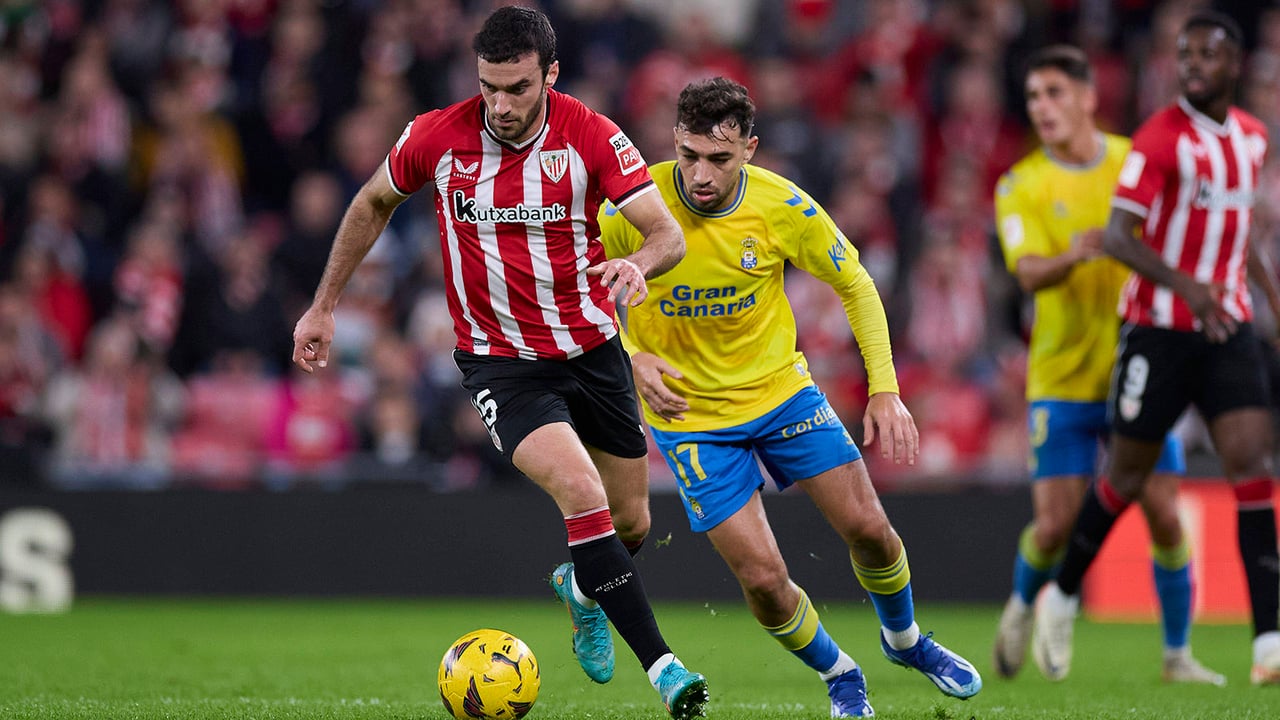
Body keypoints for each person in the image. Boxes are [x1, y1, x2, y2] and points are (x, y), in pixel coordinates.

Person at [290, 7, 710, 718]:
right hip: (503, 366)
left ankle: (581, 589)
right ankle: (666, 668)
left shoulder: (591, 134)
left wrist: (638, 262)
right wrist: (324, 304)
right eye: (490, 87)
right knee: (583, 494)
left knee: (631, 524)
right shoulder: (435, 135)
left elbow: (667, 233)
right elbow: (372, 202)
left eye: (518, 88)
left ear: (550, 74)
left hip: (593, 351)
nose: (502, 105)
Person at [598, 77, 982, 718]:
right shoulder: (631, 210)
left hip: (782, 395)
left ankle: (906, 640)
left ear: (750, 148)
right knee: (765, 583)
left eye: (719, 159)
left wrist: (885, 390)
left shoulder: (783, 207)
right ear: (673, 143)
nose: (700, 174)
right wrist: (633, 359)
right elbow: (576, 297)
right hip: (691, 420)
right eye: (689, 154)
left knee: (872, 533)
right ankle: (841, 674)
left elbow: (855, 284)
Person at [1032, 11, 1280, 686]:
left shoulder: (1253, 140)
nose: (1193, 64)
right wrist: (1186, 287)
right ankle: (1063, 592)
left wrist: (1272, 301)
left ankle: (1268, 643)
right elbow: (1117, 236)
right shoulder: (1160, 138)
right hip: (1159, 329)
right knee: (1128, 477)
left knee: (1254, 466)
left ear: (1235, 65)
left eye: (1207, 54)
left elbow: (1242, 230)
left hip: (1225, 326)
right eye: (1185, 54)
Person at [992, 45, 1223, 685]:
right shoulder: (1021, 184)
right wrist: (1074, 256)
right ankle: (1021, 604)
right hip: (1063, 379)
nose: (1042, 107)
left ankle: (1177, 655)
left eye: (1055, 93)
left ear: (1090, 97)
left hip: (1143, 372)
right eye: (1034, 96)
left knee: (1167, 516)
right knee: (1054, 527)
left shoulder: (1133, 163)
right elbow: (1026, 271)